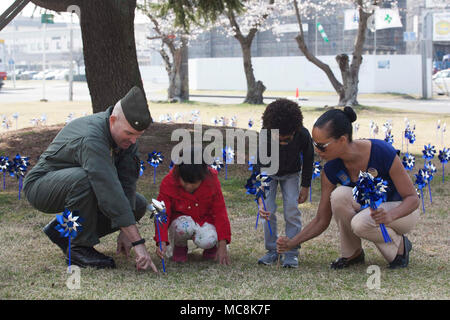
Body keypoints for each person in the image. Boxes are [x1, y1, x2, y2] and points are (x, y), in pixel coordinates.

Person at [23, 86, 158, 272]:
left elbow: (126, 184)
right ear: (113, 120)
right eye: (129, 133)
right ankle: (78, 248)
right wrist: (139, 243)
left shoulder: (126, 139)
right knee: (85, 180)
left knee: (138, 204)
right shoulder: (92, 137)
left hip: (75, 183)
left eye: (138, 136)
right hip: (41, 186)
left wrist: (125, 232)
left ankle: (62, 231)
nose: (133, 141)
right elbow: (108, 188)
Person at [277, 107, 420, 269]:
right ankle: (352, 253)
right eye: (314, 144)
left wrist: (391, 215)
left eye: (322, 146)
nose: (317, 151)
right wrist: (292, 243)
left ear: (342, 140)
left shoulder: (382, 152)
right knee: (338, 196)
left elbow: (413, 199)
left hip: (402, 212)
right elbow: (321, 220)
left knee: (360, 223)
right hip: (372, 213)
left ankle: (401, 247)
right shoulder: (331, 168)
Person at [256, 99, 313, 268]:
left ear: (295, 130)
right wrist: (260, 198)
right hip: (268, 174)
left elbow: (309, 159)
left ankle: (291, 251)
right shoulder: (265, 134)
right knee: (268, 210)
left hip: (292, 174)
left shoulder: (303, 134)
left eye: (286, 140)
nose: (282, 143)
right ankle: (272, 250)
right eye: (278, 139)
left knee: (291, 210)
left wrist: (305, 185)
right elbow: (259, 167)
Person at [154, 147, 231, 265]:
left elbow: (220, 212)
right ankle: (180, 247)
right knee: (183, 227)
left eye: (193, 183)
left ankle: (211, 247)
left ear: (203, 176)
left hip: (204, 220)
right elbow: (162, 214)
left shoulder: (212, 181)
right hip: (180, 222)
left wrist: (222, 243)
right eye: (184, 182)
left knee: (209, 238)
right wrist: (161, 240)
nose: (188, 187)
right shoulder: (168, 182)